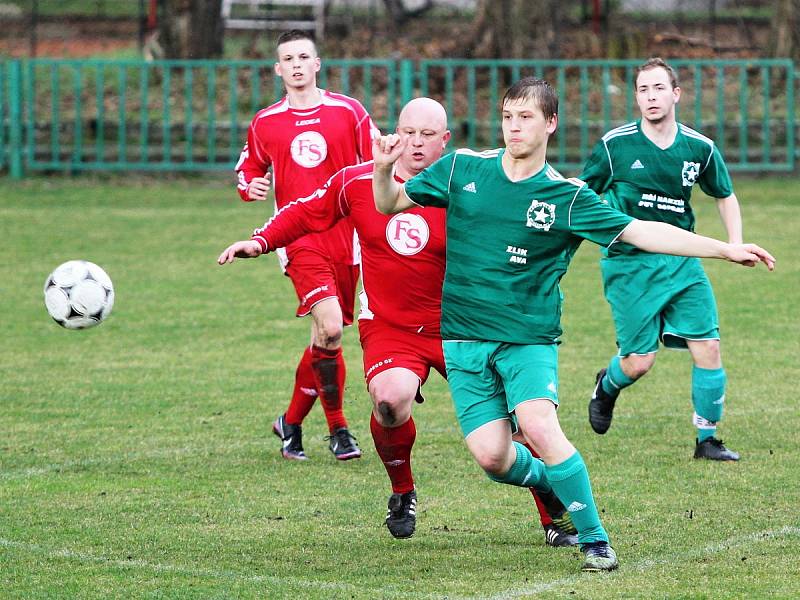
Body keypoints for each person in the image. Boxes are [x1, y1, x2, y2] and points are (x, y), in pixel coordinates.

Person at [371, 77, 774, 572]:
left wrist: (723, 248)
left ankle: (595, 539)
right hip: (463, 339)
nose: (514, 127)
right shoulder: (461, 169)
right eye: (508, 117)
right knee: (493, 460)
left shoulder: (567, 197)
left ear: (550, 124)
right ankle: (548, 481)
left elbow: (641, 230)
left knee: (539, 424)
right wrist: (383, 169)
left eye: (526, 118)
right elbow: (389, 203)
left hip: (528, 339)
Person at [219, 97, 579, 547]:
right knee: (389, 401)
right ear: (394, 133)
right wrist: (261, 241)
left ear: (444, 141)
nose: (416, 144)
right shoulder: (358, 182)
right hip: (391, 326)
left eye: (428, 136)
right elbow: (308, 210)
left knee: (521, 424)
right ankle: (403, 492)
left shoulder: (466, 185)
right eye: (408, 133)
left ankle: (551, 514)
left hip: (464, 325)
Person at [580, 57, 751, 461]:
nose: (650, 97)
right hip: (629, 263)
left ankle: (706, 440)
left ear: (676, 94)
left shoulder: (699, 148)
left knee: (707, 345)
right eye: (642, 90)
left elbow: (724, 195)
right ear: (636, 98)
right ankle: (607, 385)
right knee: (639, 362)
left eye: (658, 88)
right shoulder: (614, 145)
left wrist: (736, 242)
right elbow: (581, 196)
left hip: (682, 261)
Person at [234, 30, 378, 461]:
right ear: (278, 69)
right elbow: (248, 169)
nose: (296, 65)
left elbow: (377, 160)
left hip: (349, 238)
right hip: (298, 238)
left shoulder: (348, 112)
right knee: (331, 327)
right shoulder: (266, 121)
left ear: (317, 64)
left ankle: (291, 422)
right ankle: (339, 428)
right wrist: (250, 187)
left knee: (325, 336)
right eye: (287, 59)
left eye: (303, 57)